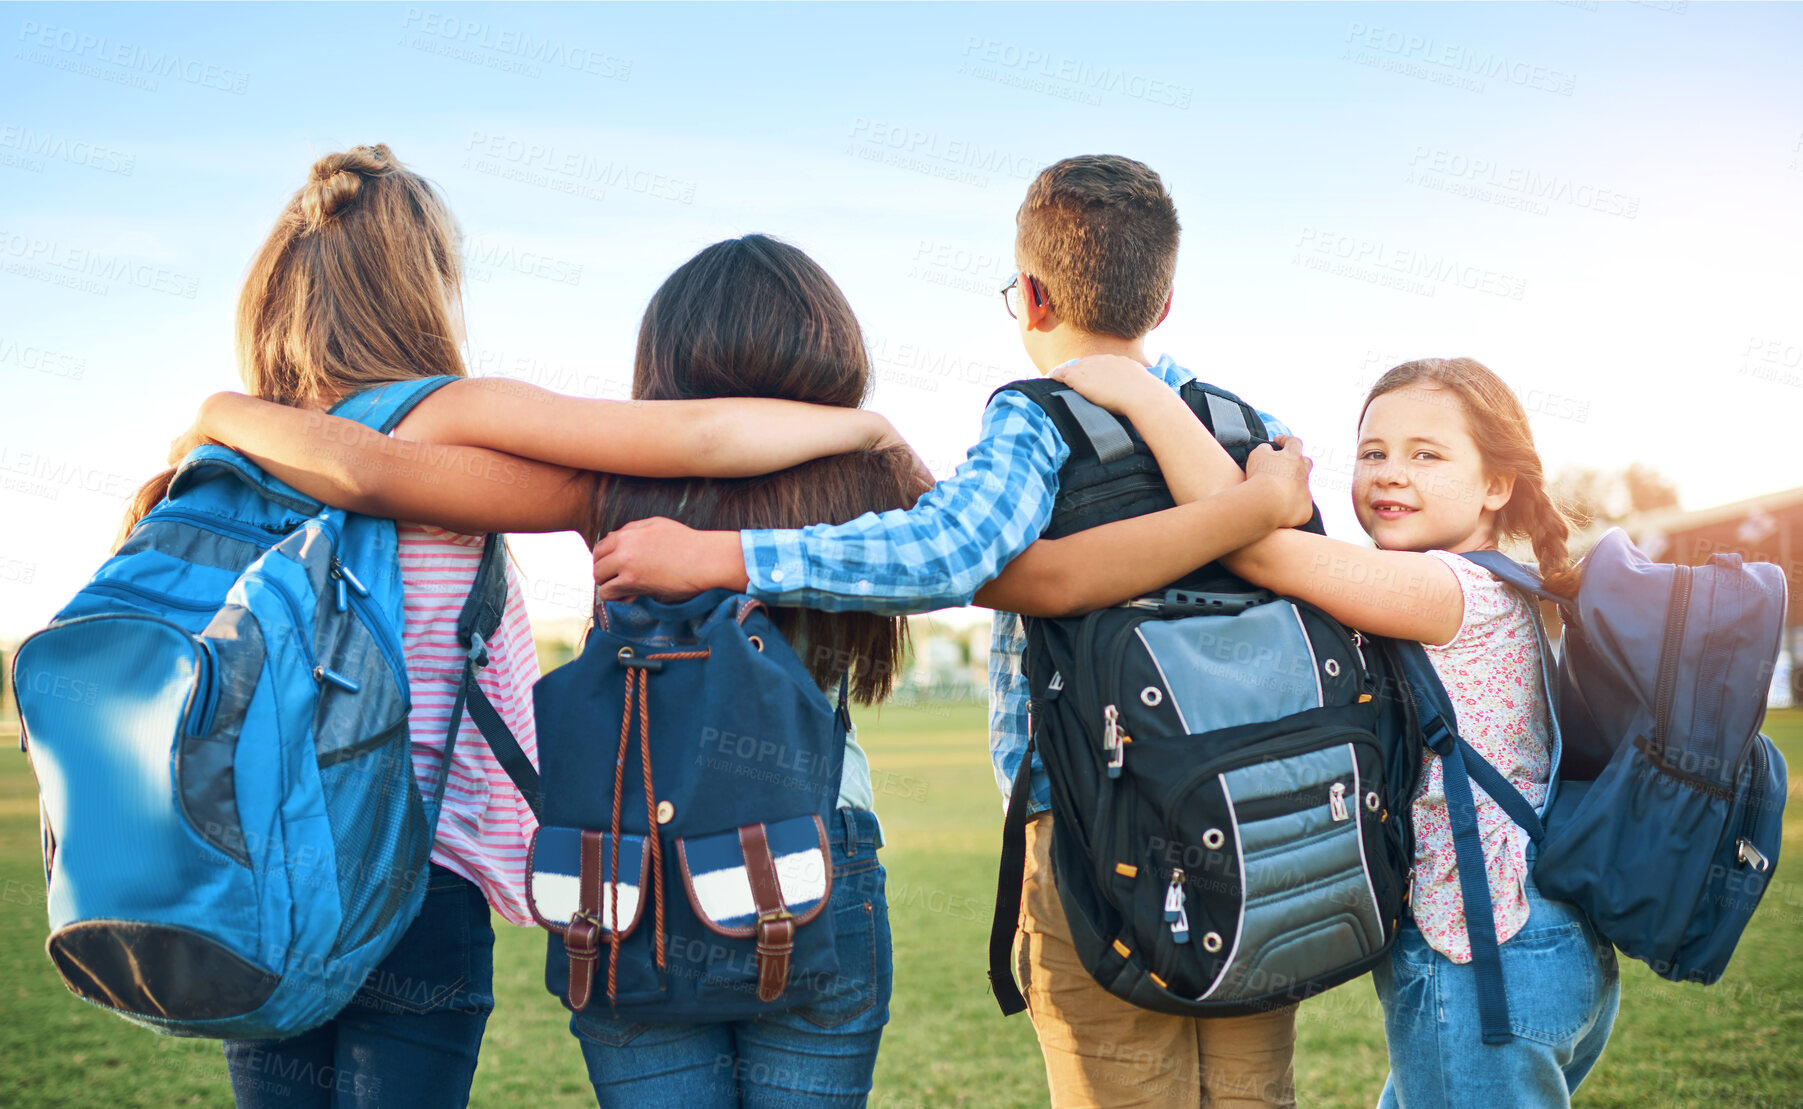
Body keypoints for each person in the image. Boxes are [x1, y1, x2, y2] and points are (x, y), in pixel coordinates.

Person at [140, 147, 925, 1109]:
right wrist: (867, 431)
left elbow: (365, 476)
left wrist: (224, 410)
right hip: (754, 859)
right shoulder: (872, 488)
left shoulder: (228, 464)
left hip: (337, 874)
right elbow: (699, 451)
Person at [587, 155, 1319, 1109]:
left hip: (1100, 836)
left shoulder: (1041, 417)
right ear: (1164, 299)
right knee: (1253, 1092)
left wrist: (732, 554)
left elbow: (950, 551)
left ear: (1032, 295)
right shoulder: (1245, 426)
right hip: (1262, 825)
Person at [1046, 353, 1621, 1108]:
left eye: (1426, 454)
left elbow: (1252, 546)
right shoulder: (1492, 580)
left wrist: (1141, 394)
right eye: (1372, 453)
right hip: (1541, 945)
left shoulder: (1444, 590)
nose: (1388, 473)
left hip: (1479, 959)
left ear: (1495, 484)